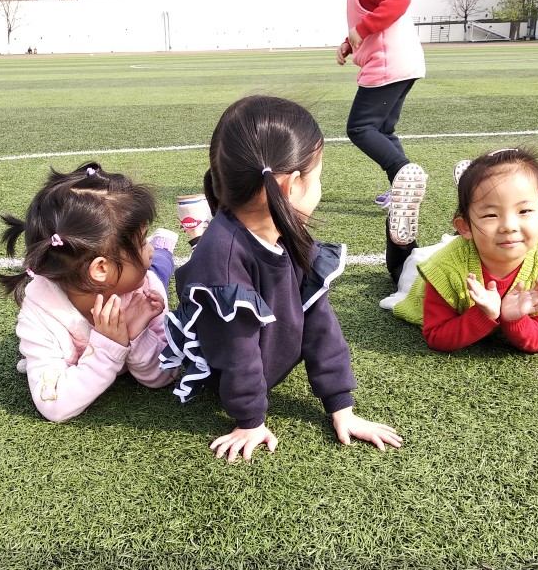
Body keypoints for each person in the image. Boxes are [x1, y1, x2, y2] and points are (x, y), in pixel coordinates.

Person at [161, 96, 403, 463]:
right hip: (224, 373)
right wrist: (250, 421)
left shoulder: (288, 232)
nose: (320, 186)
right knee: (219, 305)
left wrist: (341, 405)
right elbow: (237, 351)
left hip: (268, 353)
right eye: (318, 177)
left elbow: (319, 322)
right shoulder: (222, 258)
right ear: (291, 186)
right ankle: (179, 249)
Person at [0, 162, 178, 423]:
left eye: (145, 241)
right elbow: (55, 406)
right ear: (101, 269)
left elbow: (165, 375)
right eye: (142, 242)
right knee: (155, 264)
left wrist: (138, 335)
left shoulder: (145, 291)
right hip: (131, 276)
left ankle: (164, 249)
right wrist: (109, 346)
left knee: (158, 265)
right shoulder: (40, 316)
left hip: (145, 275)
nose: (146, 249)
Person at [381, 148, 538, 353]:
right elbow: (436, 336)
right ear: (464, 227)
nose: (509, 226)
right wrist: (482, 315)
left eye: (524, 211)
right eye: (491, 215)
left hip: (473, 243)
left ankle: (478, 208)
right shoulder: (442, 269)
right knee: (405, 268)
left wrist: (514, 318)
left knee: (479, 235)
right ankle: (402, 241)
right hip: (435, 269)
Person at [325, 0, 428, 286]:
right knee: (383, 130)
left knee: (360, 127)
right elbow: (373, 14)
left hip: (387, 64)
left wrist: (364, 27)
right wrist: (350, 40)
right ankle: (401, 186)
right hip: (402, 63)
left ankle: (403, 177)